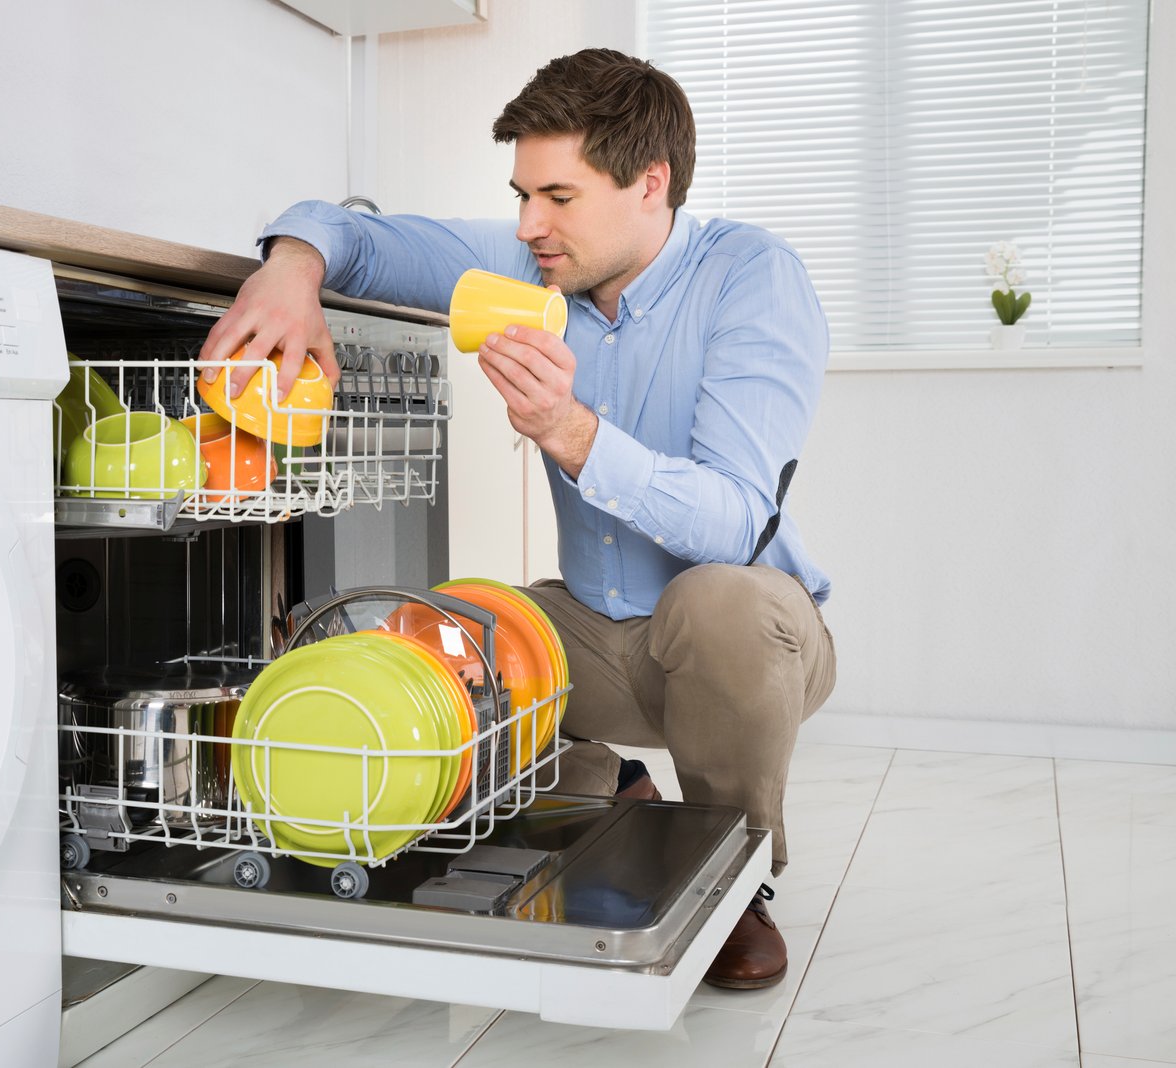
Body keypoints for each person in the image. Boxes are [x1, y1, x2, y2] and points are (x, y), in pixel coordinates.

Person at [198, 47, 836, 991]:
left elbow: (736, 521)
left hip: (748, 639)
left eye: (559, 197)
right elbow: (361, 237)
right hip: (593, 626)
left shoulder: (751, 278)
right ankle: (614, 792)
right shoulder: (532, 267)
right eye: (521, 194)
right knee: (444, 635)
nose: (530, 222)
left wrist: (573, 434)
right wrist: (291, 269)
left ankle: (729, 878)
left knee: (717, 602)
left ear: (649, 183)